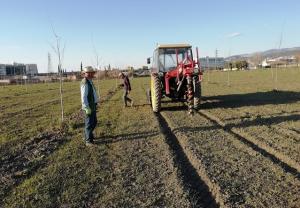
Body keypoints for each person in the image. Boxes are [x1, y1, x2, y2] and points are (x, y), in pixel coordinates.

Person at [81, 66, 99, 146]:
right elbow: (83, 96)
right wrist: (86, 107)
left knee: (94, 122)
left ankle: (88, 135)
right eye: (89, 73)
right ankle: (88, 141)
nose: (91, 74)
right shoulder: (85, 82)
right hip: (88, 106)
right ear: (85, 74)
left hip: (93, 105)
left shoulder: (90, 81)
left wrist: (96, 102)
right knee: (89, 124)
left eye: (92, 72)